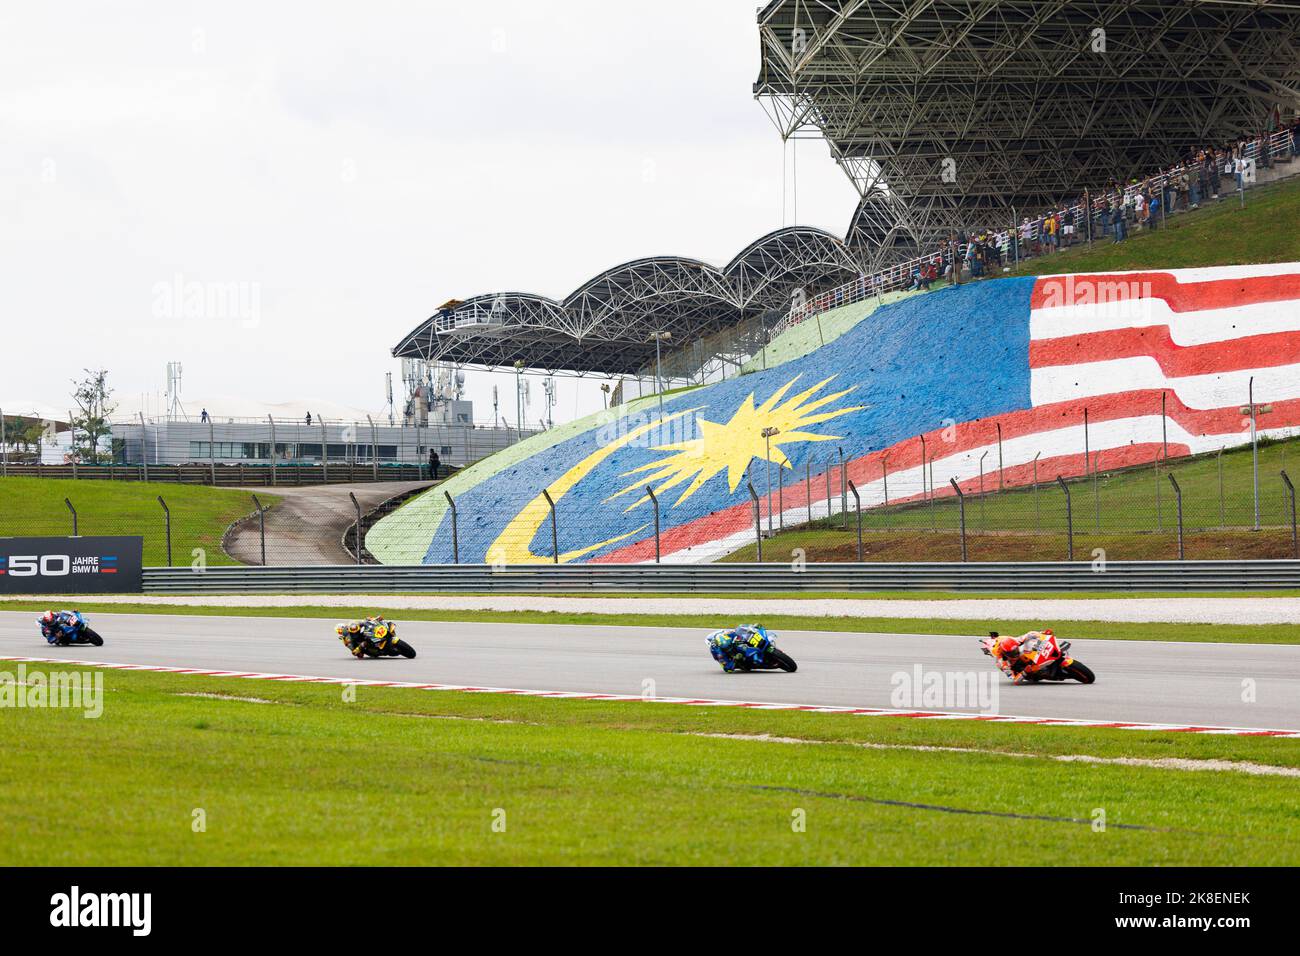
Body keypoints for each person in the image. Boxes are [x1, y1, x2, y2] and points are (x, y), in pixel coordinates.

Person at [987, 629, 1056, 683]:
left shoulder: (1016, 641)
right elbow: (1014, 679)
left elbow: (1030, 634)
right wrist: (1024, 672)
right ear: (1005, 654)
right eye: (1012, 653)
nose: (1015, 653)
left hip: (1017, 652)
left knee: (1027, 651)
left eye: (1016, 650)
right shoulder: (1002, 663)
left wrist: (1043, 633)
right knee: (1025, 670)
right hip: (1016, 668)